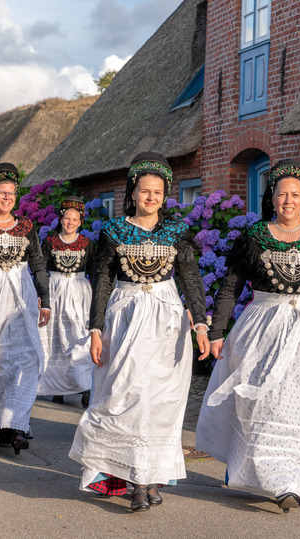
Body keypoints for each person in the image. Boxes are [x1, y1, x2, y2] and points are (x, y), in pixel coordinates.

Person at [196, 160, 300, 512]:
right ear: (271, 198)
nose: (288, 200)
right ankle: (265, 474)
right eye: (282, 194)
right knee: (262, 403)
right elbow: (230, 287)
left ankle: (289, 480)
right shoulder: (253, 238)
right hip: (262, 327)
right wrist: (217, 332)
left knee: (297, 407)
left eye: (295, 195)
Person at [69, 152, 210, 512]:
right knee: (126, 397)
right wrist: (96, 329)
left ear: (165, 194)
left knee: (159, 401)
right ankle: (132, 477)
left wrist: (201, 324)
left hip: (167, 320)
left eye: (157, 192)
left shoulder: (176, 232)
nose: (150, 198)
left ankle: (146, 479)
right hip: (125, 318)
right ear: (132, 193)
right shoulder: (113, 231)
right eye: (144, 191)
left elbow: (191, 279)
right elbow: (101, 280)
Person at [0, 163, 51, 454]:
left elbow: (38, 264)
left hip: (22, 299)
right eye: (1, 192)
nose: (6, 198)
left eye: (12, 193)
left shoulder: (27, 227)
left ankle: (15, 425)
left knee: (24, 358)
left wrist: (46, 300)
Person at [38, 196, 95, 408]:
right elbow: (41, 270)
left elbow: (94, 272)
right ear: (61, 219)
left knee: (79, 337)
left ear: (80, 222)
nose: (70, 222)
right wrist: (42, 296)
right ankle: (57, 388)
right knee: (56, 339)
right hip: (55, 291)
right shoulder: (50, 242)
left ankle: (85, 387)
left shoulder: (87, 244)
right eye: (66, 218)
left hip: (79, 293)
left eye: (75, 219)